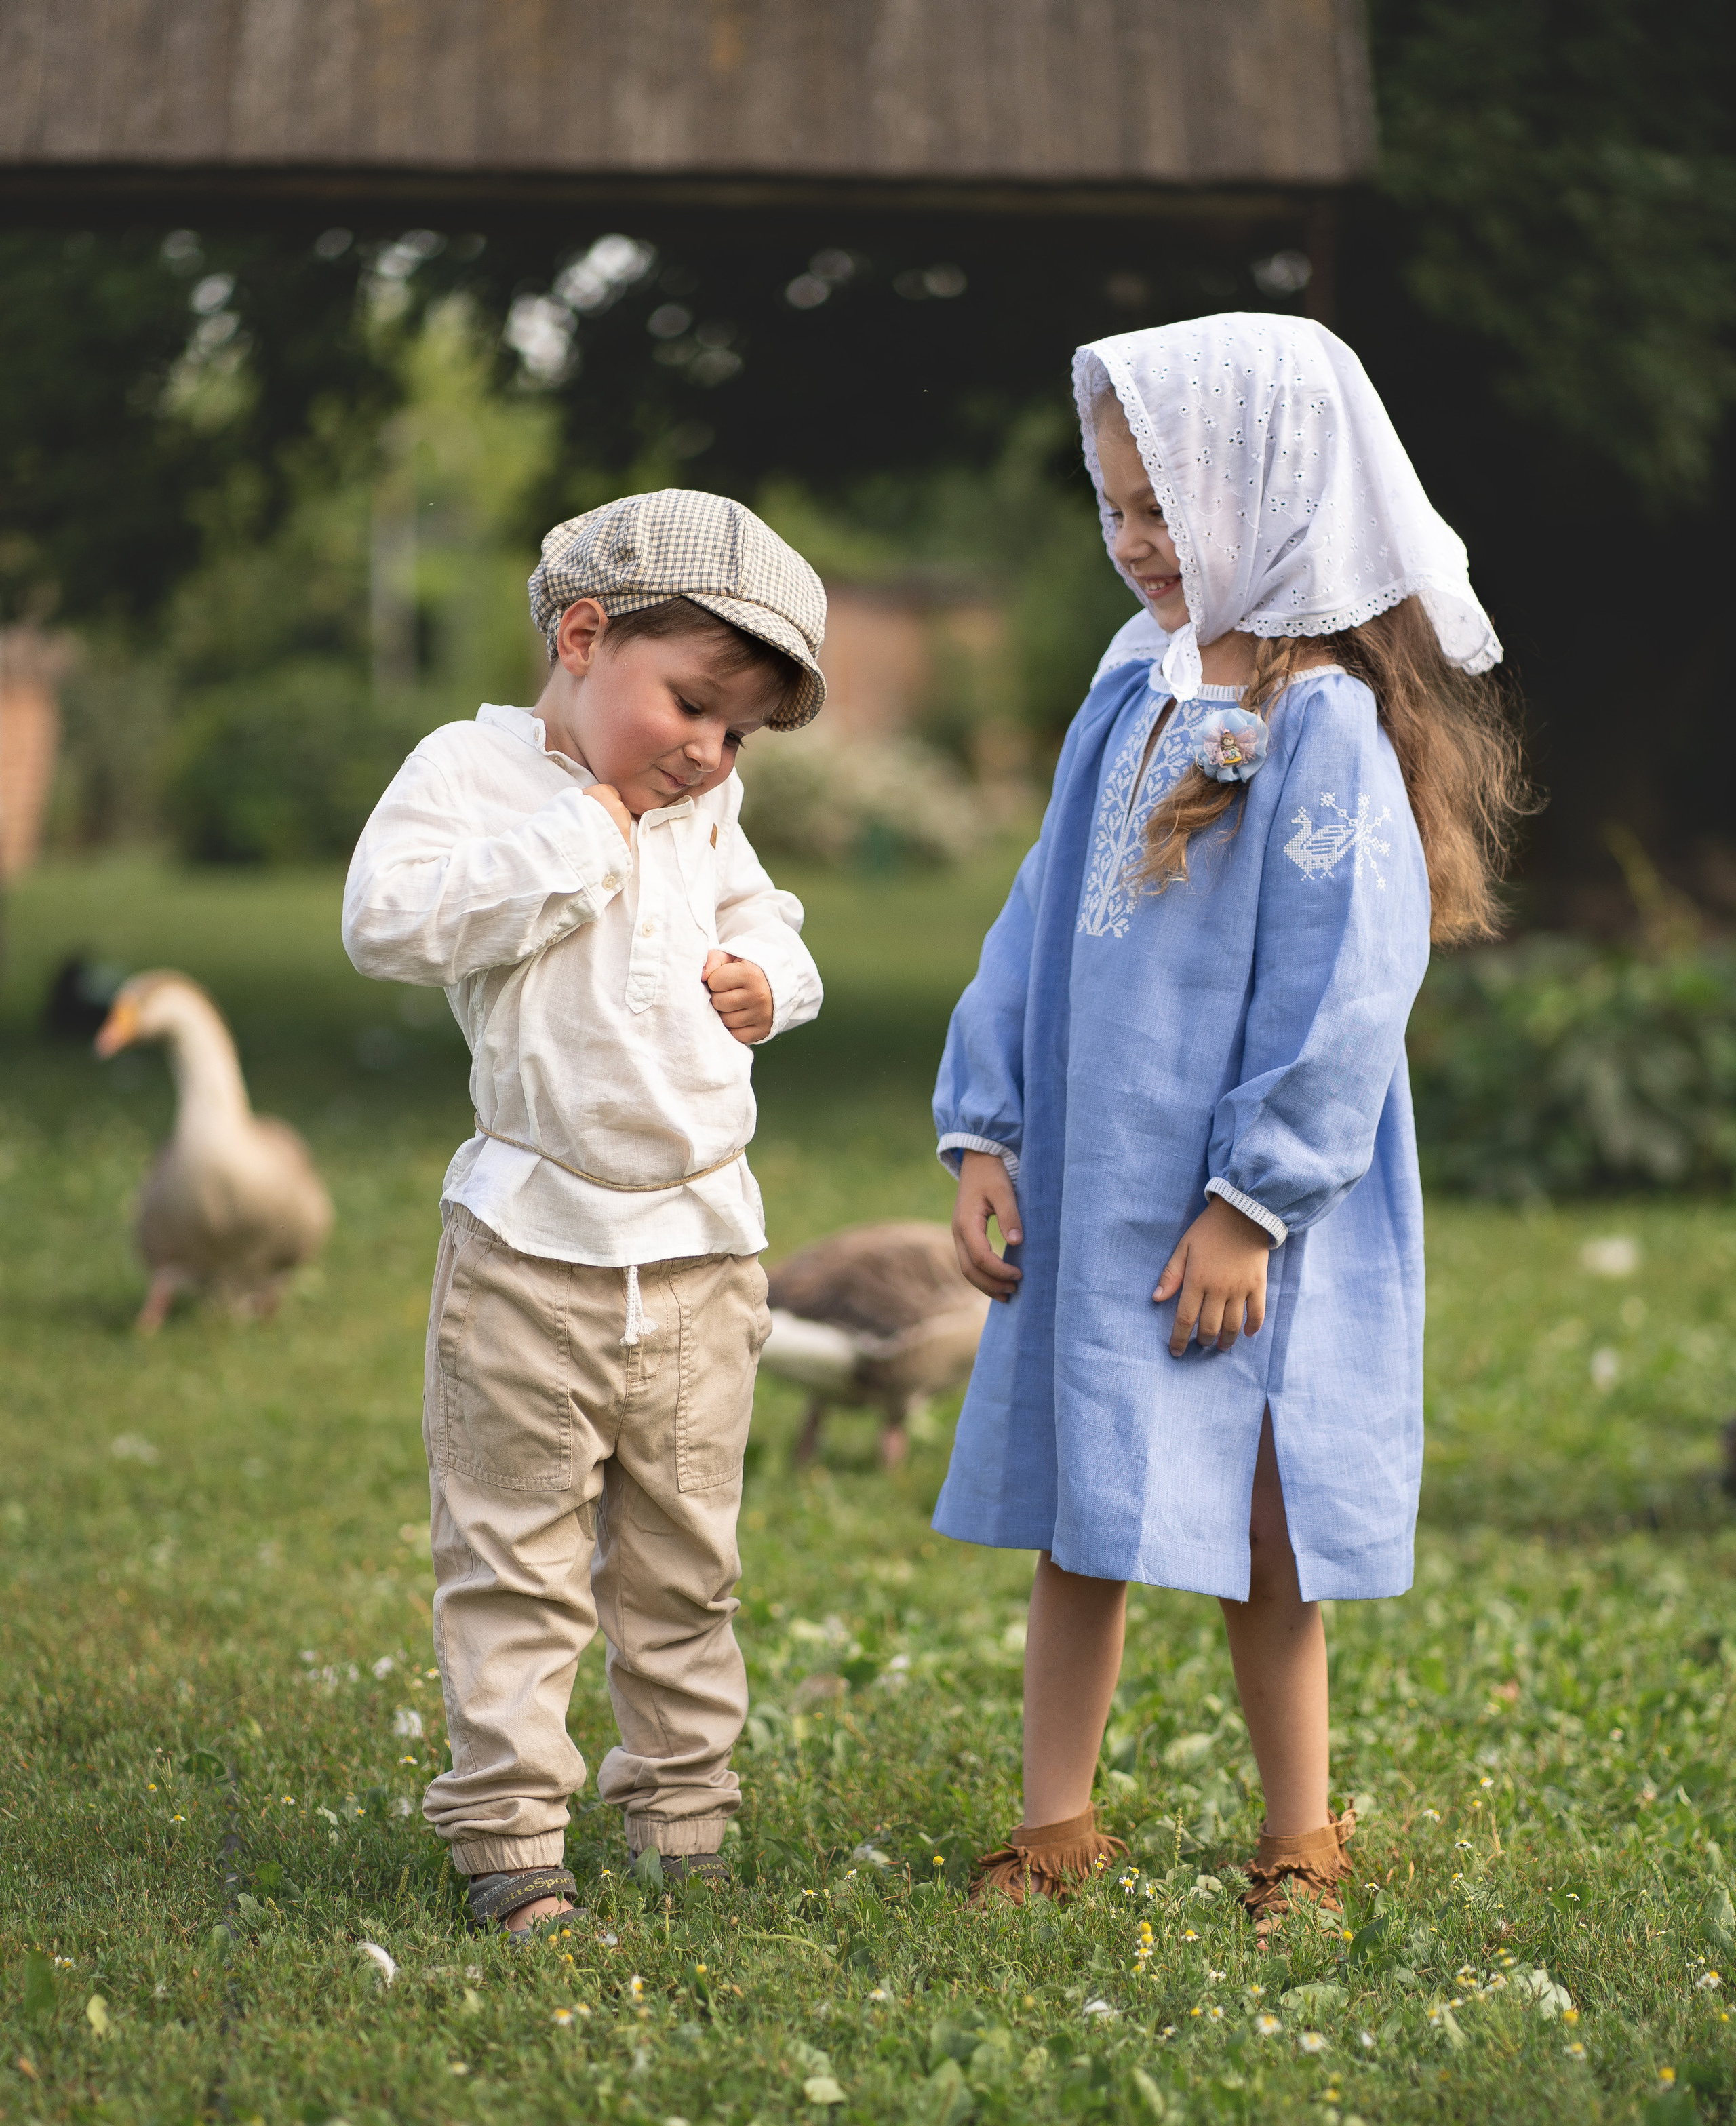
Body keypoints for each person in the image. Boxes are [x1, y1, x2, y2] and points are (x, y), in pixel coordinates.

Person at [933, 316, 1528, 1929]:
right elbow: (1032, 916)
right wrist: (986, 1128)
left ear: (1267, 495)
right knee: (1084, 1504)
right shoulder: (1127, 690)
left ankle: (1300, 1835)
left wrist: (1248, 1202)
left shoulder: (1323, 723)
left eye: (1164, 509)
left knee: (1262, 1529)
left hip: (1239, 1226)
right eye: (1113, 506)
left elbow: (1346, 990)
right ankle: (1054, 1823)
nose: (1134, 543)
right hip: (1092, 1178)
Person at [343, 491, 826, 1935]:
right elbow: (386, 921)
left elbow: (766, 916)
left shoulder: (704, 806)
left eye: (734, 734)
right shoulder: (474, 778)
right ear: (581, 634)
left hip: (695, 1256)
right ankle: (506, 1839)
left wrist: (769, 978)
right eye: (690, 706)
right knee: (513, 1560)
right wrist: (583, 836)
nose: (705, 753)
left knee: (686, 1565)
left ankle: (683, 1817)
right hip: (527, 1255)